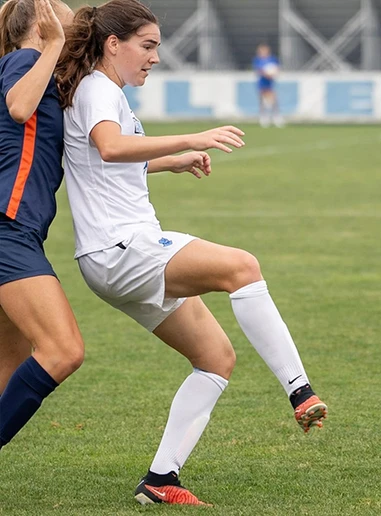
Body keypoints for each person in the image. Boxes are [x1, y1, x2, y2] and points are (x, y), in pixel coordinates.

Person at [55, 0, 327, 506]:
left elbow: (102, 164)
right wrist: (192, 135)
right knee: (241, 267)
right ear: (113, 44)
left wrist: (172, 161)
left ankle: (162, 480)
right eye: (148, 45)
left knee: (215, 359)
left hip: (111, 256)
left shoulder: (103, 92)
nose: (155, 57)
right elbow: (111, 149)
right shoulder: (98, 88)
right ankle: (300, 391)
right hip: (122, 247)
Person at [0, 0, 82, 451]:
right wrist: (52, 46)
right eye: (67, 15)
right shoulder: (25, 61)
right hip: (6, 229)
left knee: (7, 373)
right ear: (44, 22)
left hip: (18, 232)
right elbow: (18, 107)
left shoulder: (44, 73)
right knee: (63, 350)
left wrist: (171, 161)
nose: (76, 20)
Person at [252, 43, 283, 128]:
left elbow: (277, 68)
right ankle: (264, 118)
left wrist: (274, 73)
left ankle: (276, 118)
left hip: (270, 83)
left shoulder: (273, 59)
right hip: (262, 83)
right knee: (262, 101)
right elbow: (259, 70)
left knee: (273, 101)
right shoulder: (258, 60)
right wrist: (266, 74)